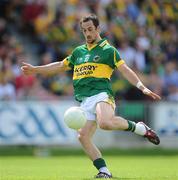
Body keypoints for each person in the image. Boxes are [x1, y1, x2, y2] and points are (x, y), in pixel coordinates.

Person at [21, 14, 161, 179]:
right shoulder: (78, 52)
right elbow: (60, 65)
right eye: (84, 30)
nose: (87, 33)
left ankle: (141, 129)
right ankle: (104, 171)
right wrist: (36, 69)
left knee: (105, 122)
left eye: (90, 29)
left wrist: (141, 87)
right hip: (84, 99)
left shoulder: (108, 50)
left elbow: (125, 70)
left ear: (98, 29)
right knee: (82, 136)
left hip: (101, 93)